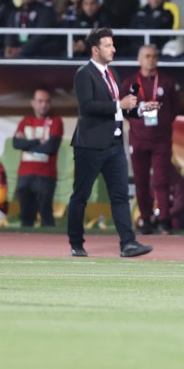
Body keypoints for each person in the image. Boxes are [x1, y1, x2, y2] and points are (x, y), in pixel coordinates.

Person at [66, 27, 153, 259]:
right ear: (95, 49)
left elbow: (118, 109)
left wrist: (140, 108)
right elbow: (87, 107)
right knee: (81, 195)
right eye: (107, 45)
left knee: (120, 195)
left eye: (112, 44)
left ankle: (128, 243)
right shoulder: (84, 73)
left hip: (114, 143)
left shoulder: (111, 72)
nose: (113, 49)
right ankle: (76, 242)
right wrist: (119, 105)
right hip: (90, 144)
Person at [120, 44, 180, 235]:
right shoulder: (131, 83)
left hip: (161, 139)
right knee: (141, 181)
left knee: (162, 180)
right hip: (138, 139)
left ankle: (163, 220)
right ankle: (145, 218)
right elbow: (124, 109)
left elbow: (174, 108)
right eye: (146, 56)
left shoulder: (167, 82)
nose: (151, 59)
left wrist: (161, 124)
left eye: (154, 56)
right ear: (139, 59)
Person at [13, 88, 64, 227]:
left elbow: (50, 147)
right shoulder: (25, 121)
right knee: (25, 216)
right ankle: (25, 247)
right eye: (40, 101)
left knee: (45, 213)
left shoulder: (55, 121)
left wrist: (27, 144)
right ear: (33, 103)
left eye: (47, 101)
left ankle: (48, 247)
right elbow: (16, 143)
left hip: (46, 175)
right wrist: (36, 142)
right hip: (24, 174)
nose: (44, 105)